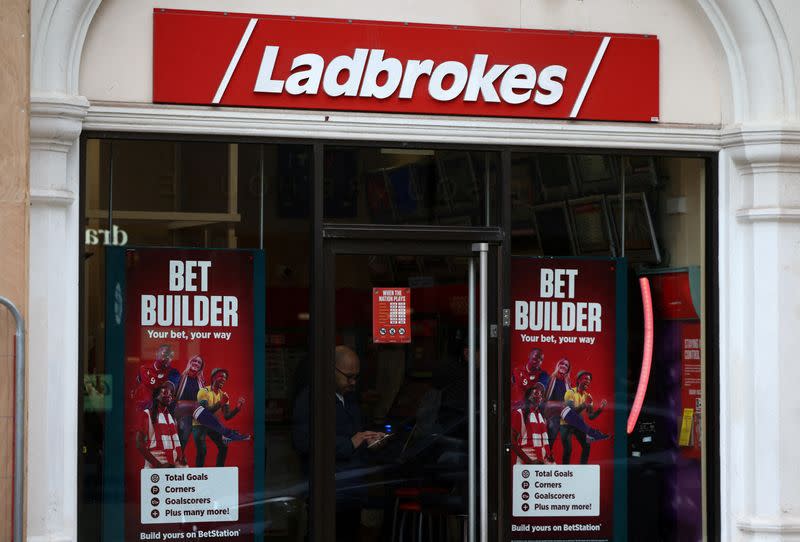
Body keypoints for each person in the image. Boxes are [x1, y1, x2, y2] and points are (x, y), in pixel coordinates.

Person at [292, 345, 386, 541]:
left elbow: (358, 435)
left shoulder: (349, 398)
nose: (353, 382)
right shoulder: (311, 399)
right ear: (330, 369)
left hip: (351, 492)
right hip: (328, 494)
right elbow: (303, 442)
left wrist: (371, 442)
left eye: (356, 377)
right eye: (348, 376)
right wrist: (350, 443)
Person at [192, 368, 246, 467]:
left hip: (212, 425)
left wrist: (238, 408)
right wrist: (221, 402)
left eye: (225, 377)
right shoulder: (203, 391)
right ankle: (198, 475)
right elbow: (204, 415)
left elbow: (227, 416)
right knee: (202, 451)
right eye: (221, 376)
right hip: (199, 425)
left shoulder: (223, 395)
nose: (223, 379)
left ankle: (219, 471)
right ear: (213, 378)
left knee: (223, 447)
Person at [560, 371, 608, 465]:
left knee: (587, 445)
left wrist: (600, 409)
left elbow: (591, 416)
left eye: (589, 379)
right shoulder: (570, 392)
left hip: (578, 426)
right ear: (578, 380)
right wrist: (584, 404)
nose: (588, 381)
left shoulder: (588, 396)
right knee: (568, 450)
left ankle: (583, 469)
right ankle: (565, 472)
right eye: (585, 378)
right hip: (566, 425)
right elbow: (570, 414)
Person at [135, 381, 185, 468]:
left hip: (172, 465)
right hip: (155, 466)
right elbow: (139, 443)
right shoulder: (147, 414)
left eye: (171, 394)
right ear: (156, 396)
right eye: (165, 392)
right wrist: (159, 465)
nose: (169, 395)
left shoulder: (172, 419)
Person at [511, 382, 554, 465]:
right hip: (527, 461)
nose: (539, 395)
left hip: (542, 460)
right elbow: (512, 441)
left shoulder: (541, 418)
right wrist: (529, 461)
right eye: (536, 393)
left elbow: (544, 442)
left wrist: (549, 454)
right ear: (528, 396)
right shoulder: (519, 413)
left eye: (541, 393)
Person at [130, 344, 180, 410]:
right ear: (157, 353)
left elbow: (167, 390)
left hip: (160, 409)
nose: (167, 357)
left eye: (170, 356)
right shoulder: (143, 369)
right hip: (141, 409)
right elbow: (134, 389)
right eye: (165, 353)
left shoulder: (174, 372)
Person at [174, 354, 205, 448]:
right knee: (180, 439)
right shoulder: (181, 377)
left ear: (201, 367)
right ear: (190, 362)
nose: (196, 363)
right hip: (182, 415)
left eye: (199, 362)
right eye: (194, 361)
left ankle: (180, 458)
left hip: (195, 416)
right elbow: (173, 395)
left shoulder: (201, 382)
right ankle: (178, 458)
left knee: (187, 441)